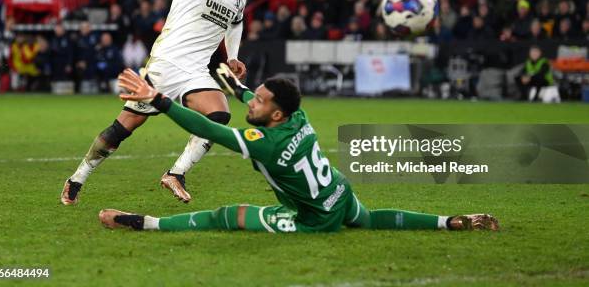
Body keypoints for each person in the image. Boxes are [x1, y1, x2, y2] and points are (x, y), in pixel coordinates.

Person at [98, 66, 499, 233]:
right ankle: (448, 221)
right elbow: (266, 104)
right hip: (340, 193)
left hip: (314, 218)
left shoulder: (265, 144)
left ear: (275, 115)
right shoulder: (298, 116)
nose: (251, 104)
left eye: (258, 101)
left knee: (228, 216)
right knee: (370, 219)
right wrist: (237, 89)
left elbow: (206, 127)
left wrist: (161, 100)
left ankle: (145, 224)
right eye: (252, 97)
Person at [61, 0, 247, 205]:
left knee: (219, 114)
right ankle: (78, 177)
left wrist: (233, 57)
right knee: (123, 128)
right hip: (166, 65)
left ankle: (176, 174)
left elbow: (235, 23)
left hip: (196, 71)